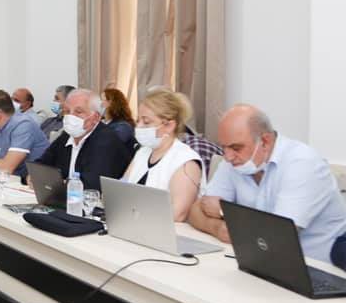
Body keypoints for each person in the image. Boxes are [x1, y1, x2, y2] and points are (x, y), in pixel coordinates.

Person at [188, 105, 346, 269]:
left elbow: (277, 236)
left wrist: (222, 212)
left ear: (265, 141)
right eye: (224, 147)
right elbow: (196, 211)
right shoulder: (235, 160)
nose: (228, 157)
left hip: (316, 267)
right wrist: (217, 228)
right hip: (257, 260)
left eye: (236, 148)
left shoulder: (303, 163)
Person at [121, 90, 203, 221]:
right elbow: (121, 188)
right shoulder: (143, 152)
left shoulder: (186, 161)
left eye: (146, 122)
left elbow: (178, 214)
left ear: (169, 125)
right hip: (133, 223)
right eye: (138, 120)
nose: (138, 126)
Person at [35, 88, 133, 191]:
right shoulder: (67, 136)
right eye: (67, 111)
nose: (70, 116)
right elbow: (40, 165)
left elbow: (91, 185)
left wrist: (53, 182)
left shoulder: (107, 141)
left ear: (95, 117)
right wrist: (32, 177)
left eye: (78, 112)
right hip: (65, 198)